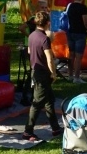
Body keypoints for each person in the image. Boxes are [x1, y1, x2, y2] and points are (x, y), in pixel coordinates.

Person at [23, 11, 63, 141]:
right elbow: (49, 58)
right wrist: (53, 73)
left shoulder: (31, 35)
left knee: (49, 101)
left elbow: (29, 51)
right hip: (43, 73)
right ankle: (28, 132)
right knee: (37, 103)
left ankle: (56, 128)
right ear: (47, 23)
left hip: (35, 70)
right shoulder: (44, 38)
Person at [66, 0, 87, 84]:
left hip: (70, 32)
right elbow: (85, 21)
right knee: (78, 56)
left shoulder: (69, 6)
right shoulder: (83, 8)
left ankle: (70, 75)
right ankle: (77, 77)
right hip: (80, 33)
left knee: (71, 54)